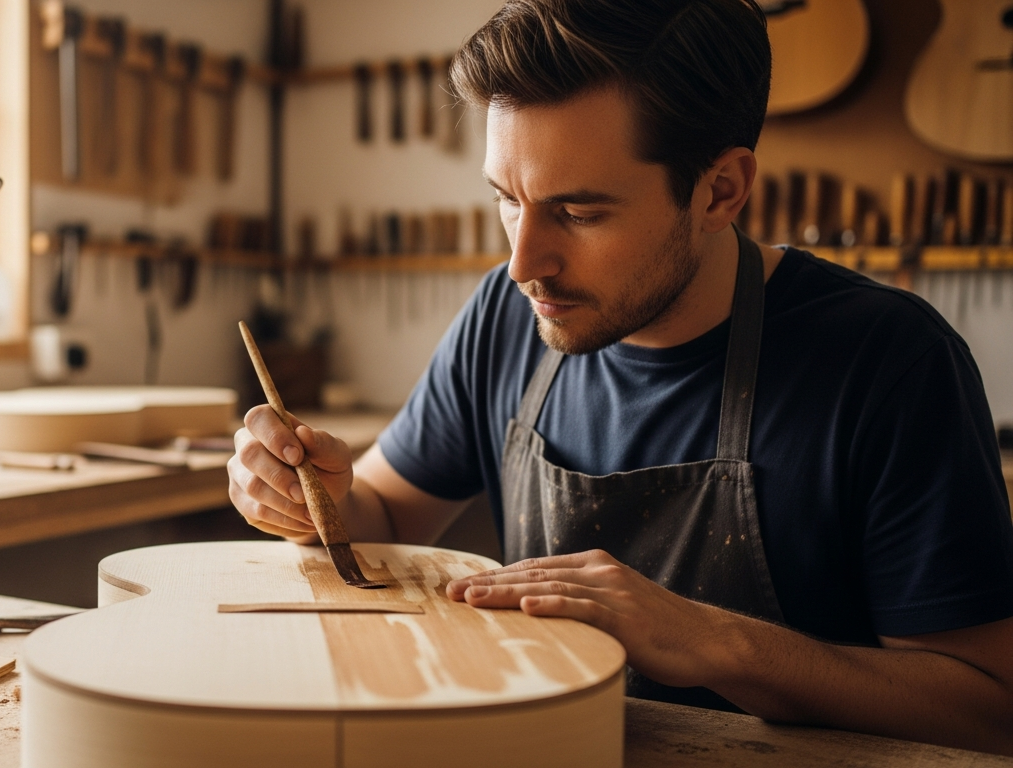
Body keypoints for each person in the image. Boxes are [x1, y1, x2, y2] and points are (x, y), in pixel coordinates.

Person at [228, 0, 1013, 755]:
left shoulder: (889, 360)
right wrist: (309, 497)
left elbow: (987, 711)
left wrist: (715, 641)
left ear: (720, 190)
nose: (523, 264)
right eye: (507, 200)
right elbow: (384, 516)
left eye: (578, 213)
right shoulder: (506, 318)